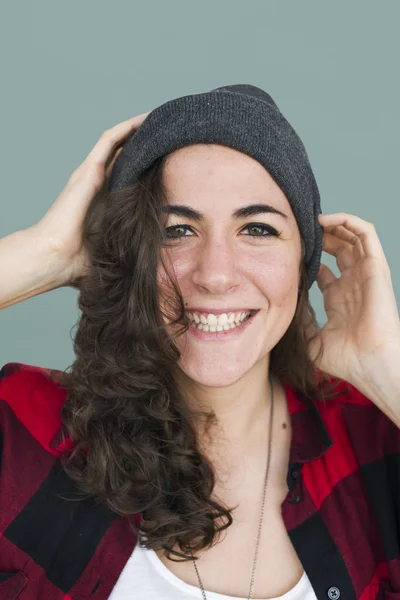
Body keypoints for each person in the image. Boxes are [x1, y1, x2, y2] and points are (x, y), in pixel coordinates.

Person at [0, 84, 399, 600]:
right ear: (132, 256)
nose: (214, 275)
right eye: (176, 231)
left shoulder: (379, 442)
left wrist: (386, 370)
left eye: (256, 229)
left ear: (302, 264)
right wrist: (40, 255)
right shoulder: (22, 432)